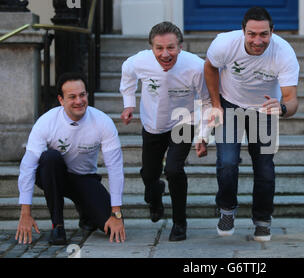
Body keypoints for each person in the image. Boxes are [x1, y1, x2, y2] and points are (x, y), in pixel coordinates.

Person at [204, 7, 300, 242]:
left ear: (272, 32)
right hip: (230, 104)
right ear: (243, 31)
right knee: (227, 162)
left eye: (264, 34)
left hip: (264, 109)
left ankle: (262, 220)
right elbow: (209, 67)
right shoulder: (224, 44)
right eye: (252, 34)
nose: (258, 41)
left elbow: (293, 100)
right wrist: (216, 104)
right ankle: (227, 211)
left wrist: (283, 109)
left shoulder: (284, 53)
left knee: (264, 167)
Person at [119, 21, 211, 241]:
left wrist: (203, 135)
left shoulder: (196, 66)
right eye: (159, 48)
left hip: (183, 122)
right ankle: (155, 195)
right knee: (149, 174)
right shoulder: (138, 61)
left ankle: (180, 222)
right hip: (153, 124)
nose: (165, 53)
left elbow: (205, 101)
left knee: (173, 169)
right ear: (151, 48)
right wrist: (128, 103)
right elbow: (127, 75)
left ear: (180, 46)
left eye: (171, 47)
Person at [16, 72, 126, 245]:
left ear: (87, 95)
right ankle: (57, 225)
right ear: (61, 100)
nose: (79, 101)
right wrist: (25, 213)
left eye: (82, 95)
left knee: (113, 228)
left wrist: (116, 213)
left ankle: (86, 214)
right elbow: (28, 166)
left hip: (84, 178)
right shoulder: (46, 122)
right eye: (72, 97)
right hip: (52, 174)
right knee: (50, 158)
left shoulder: (103, 122)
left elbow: (115, 168)